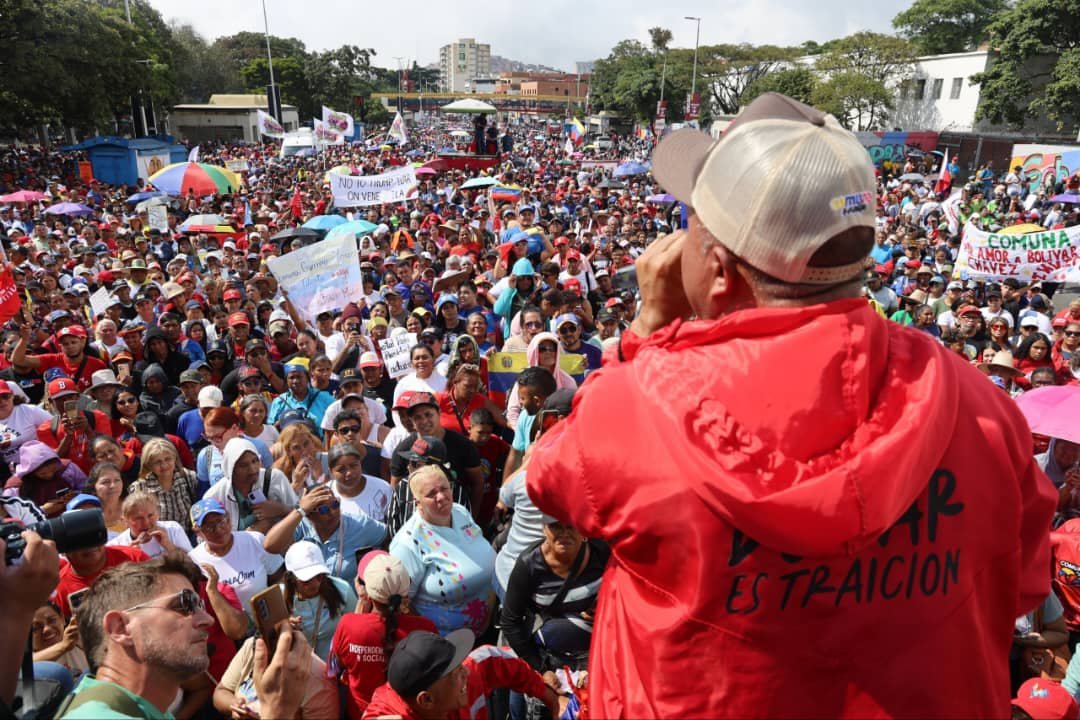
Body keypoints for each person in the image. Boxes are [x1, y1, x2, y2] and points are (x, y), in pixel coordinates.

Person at [525, 93, 1057, 717]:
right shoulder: (985, 409)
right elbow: (1020, 583)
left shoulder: (634, 404)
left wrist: (647, 337)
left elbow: (552, 478)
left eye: (691, 221)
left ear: (719, 272)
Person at [62, 551, 309, 720]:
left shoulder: (142, 707)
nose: (207, 619)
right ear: (120, 628)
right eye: (185, 604)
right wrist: (277, 713)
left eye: (200, 605)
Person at [389, 465, 495, 636]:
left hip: (485, 628)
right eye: (431, 494)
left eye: (444, 489)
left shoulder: (460, 512)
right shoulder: (407, 542)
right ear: (418, 502)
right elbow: (401, 605)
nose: (441, 497)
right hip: (445, 643)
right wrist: (432, 640)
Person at [362, 629, 560, 720]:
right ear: (427, 700)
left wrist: (552, 699)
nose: (465, 671)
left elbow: (493, 660)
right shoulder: (392, 713)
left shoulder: (467, 677)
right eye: (455, 673)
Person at [330, 552, 438, 716]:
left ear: (366, 590)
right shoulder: (425, 629)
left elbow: (334, 667)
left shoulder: (348, 624)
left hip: (361, 714)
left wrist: (360, 610)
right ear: (406, 592)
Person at [263, 476, 388, 588]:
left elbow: (390, 537)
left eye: (335, 504)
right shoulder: (301, 524)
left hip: (347, 606)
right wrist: (299, 510)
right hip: (309, 607)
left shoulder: (360, 525)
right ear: (309, 515)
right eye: (323, 510)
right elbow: (270, 546)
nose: (333, 512)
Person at [186, 498, 285, 617]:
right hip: (228, 629)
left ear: (228, 518)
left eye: (220, 521)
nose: (217, 529)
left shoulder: (254, 540)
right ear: (197, 531)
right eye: (209, 527)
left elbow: (278, 575)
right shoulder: (194, 560)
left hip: (266, 618)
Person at [107, 491, 194, 558]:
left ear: (158, 514)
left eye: (150, 515)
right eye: (138, 518)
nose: (146, 522)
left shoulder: (172, 529)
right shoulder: (115, 546)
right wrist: (132, 557)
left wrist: (169, 546)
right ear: (125, 521)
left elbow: (193, 566)